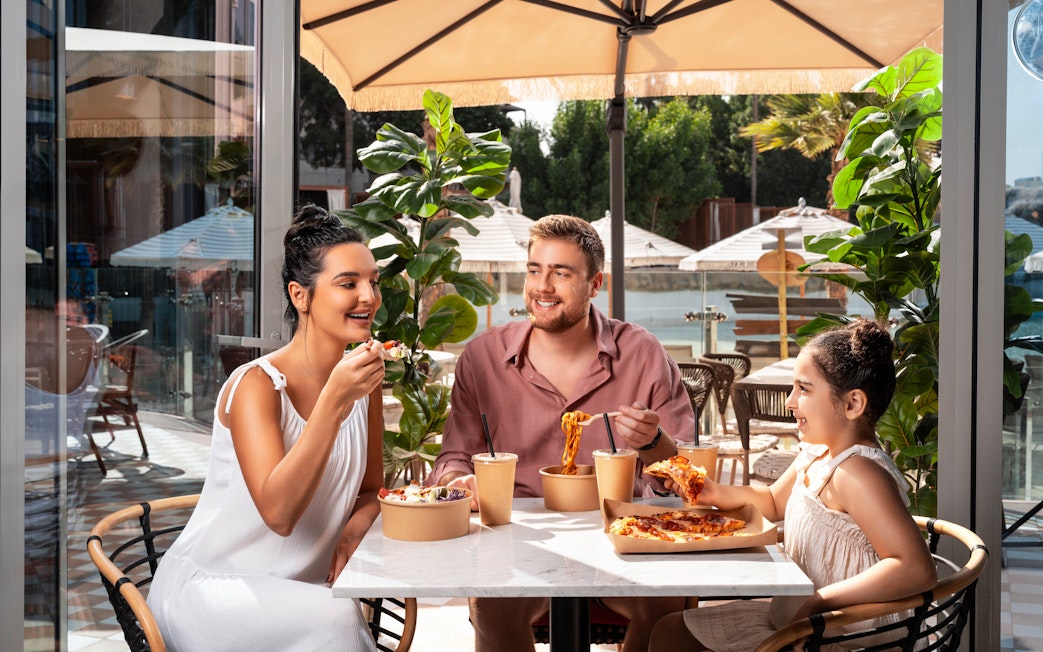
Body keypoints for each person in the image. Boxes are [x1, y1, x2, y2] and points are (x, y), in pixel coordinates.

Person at [429, 214, 695, 652]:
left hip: (625, 539)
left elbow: (686, 476)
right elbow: (454, 457)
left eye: (561, 273)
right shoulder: (482, 357)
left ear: (595, 284)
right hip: (516, 542)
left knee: (668, 605)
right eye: (535, 269)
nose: (542, 286)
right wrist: (456, 483)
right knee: (493, 607)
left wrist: (654, 445)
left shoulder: (643, 354)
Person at [148, 205, 386, 651]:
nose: (368, 297)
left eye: (373, 281)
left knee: (331, 612)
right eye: (348, 283)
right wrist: (334, 401)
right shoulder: (257, 386)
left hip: (301, 595)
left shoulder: (364, 382)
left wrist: (356, 526)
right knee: (336, 617)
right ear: (301, 296)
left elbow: (373, 488)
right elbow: (279, 514)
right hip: (216, 587)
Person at [649, 319, 938, 652]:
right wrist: (710, 490)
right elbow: (772, 501)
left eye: (803, 389)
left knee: (671, 637)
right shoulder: (819, 452)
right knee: (669, 631)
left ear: (852, 404)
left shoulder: (858, 473)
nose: (789, 401)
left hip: (841, 637)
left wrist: (821, 602)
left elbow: (915, 567)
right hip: (794, 619)